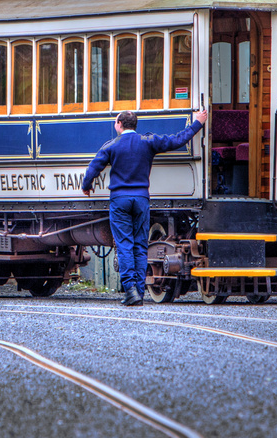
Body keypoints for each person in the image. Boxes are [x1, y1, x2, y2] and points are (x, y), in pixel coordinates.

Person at [82, 108, 208, 306]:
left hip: (119, 201)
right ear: (135, 125)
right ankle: (139, 292)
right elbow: (176, 140)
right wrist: (197, 123)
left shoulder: (112, 146)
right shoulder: (147, 142)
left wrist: (86, 186)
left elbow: (93, 168)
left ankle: (130, 290)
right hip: (141, 199)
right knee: (141, 246)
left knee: (124, 245)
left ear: (119, 125)